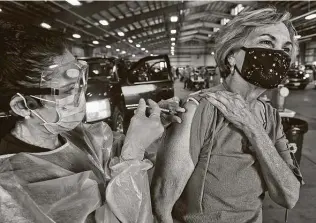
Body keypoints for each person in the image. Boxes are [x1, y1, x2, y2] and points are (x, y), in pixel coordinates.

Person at [0, 19, 182, 223]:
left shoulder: (78, 135)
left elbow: (112, 151)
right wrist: (132, 155)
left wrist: (146, 130)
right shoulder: (10, 186)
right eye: (69, 90)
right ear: (23, 106)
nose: (81, 96)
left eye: (80, 84)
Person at [151, 8, 304, 223]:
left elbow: (289, 196)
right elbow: (162, 203)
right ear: (232, 55)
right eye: (267, 43)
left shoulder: (270, 116)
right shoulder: (201, 109)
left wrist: (253, 128)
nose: (278, 55)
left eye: (286, 48)